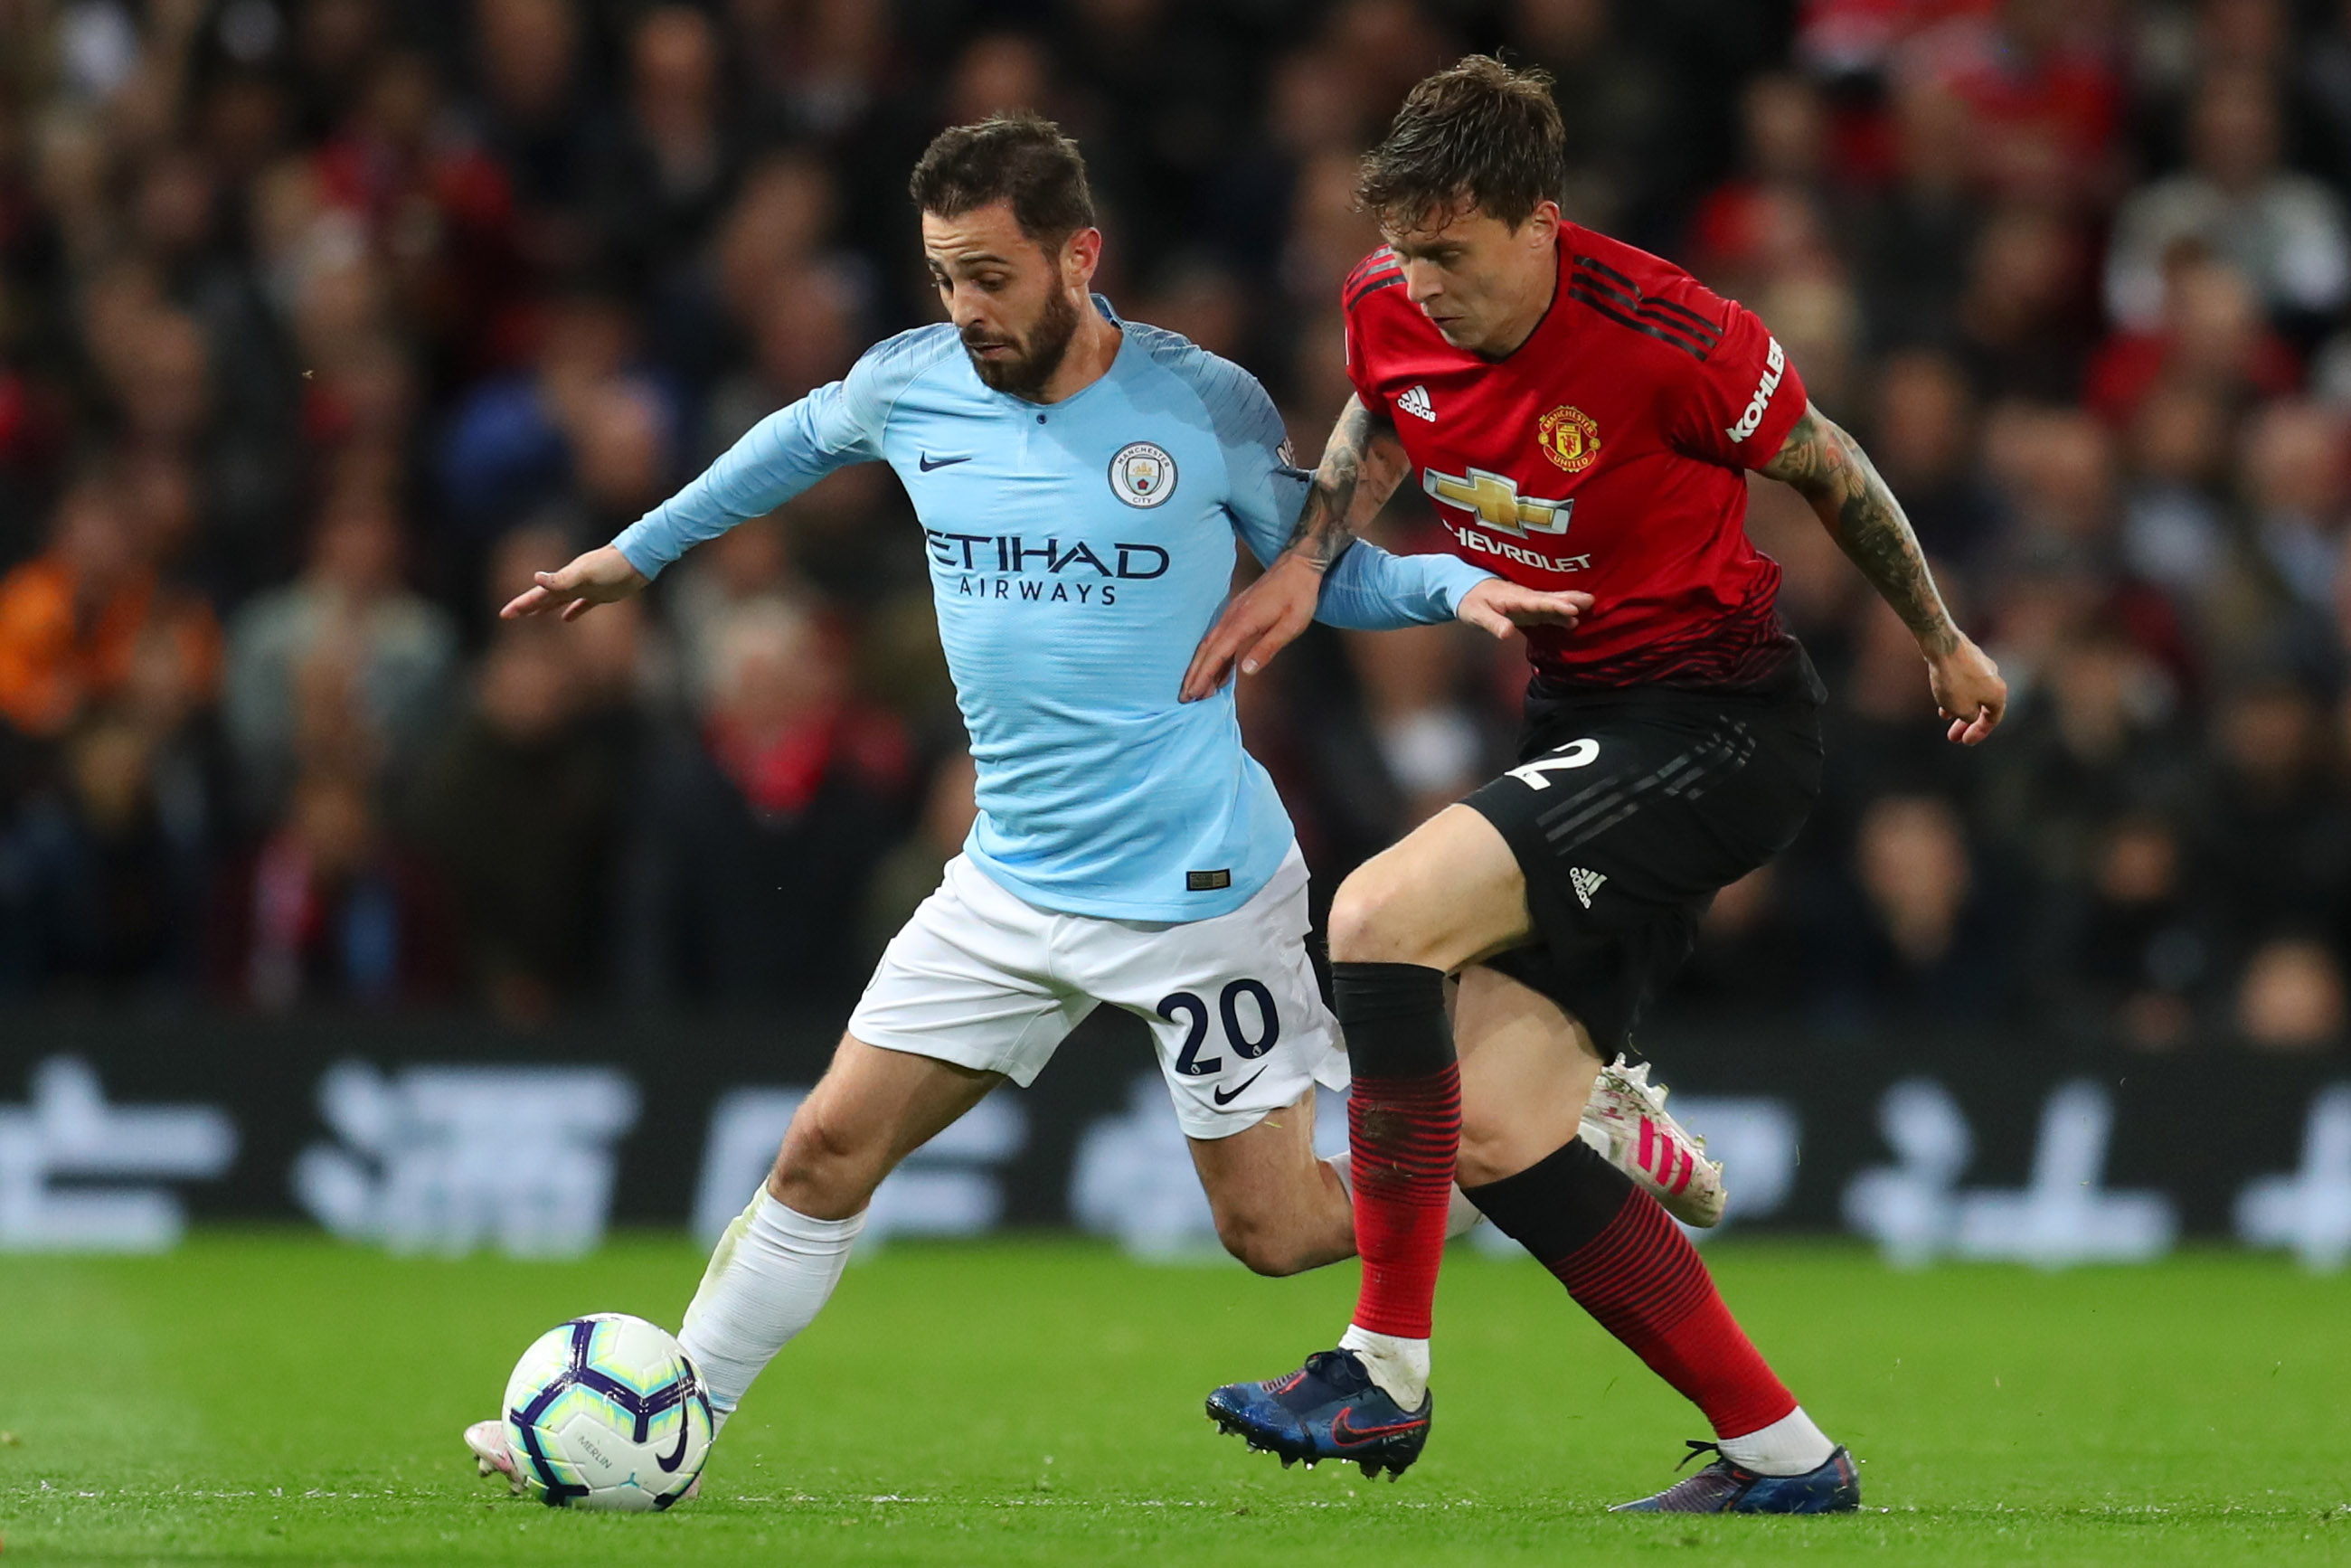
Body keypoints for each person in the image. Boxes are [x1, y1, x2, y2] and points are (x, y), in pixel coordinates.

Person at [455, 113, 1633, 1492]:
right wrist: (636, 553)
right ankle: (679, 1419)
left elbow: (1328, 565)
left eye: (992, 276)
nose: (966, 310)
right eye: (944, 275)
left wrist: (1452, 585)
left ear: (1082, 256)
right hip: (1009, 884)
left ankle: (1554, 1129)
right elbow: (790, 441)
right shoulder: (915, 386)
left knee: (1274, 1232)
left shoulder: (1199, 408)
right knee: (828, 1142)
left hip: (1197, 890)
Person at [1189, 58, 2007, 1513]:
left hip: (1720, 726)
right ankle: (1784, 1454)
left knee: (1379, 915)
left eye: (1452, 252)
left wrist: (1940, 640)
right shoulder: (1386, 302)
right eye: (1407, 249)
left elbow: (1831, 468)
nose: (1421, 283)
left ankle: (1380, 1366)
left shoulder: (1676, 334)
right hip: (1582, 725)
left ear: (1540, 222)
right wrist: (1312, 557)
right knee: (1502, 1129)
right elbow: (1382, 412)